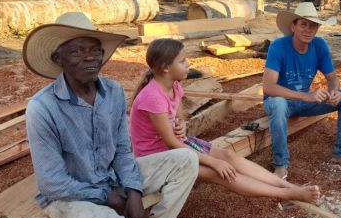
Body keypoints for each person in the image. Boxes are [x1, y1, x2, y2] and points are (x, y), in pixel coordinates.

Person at [23, 12, 199, 218]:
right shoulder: (42, 108)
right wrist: (109, 198)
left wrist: (132, 191)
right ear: (58, 57)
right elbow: (52, 182)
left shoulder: (113, 92)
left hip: (111, 180)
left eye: (95, 51)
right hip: (68, 196)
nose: (89, 58)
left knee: (185, 158)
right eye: (77, 51)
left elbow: (121, 150)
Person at [129, 38, 320, 204]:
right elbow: (171, 143)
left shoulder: (174, 86)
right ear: (165, 68)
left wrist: (180, 125)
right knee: (219, 173)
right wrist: (213, 162)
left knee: (228, 156)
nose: (188, 63)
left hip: (177, 146)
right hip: (157, 159)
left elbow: (178, 117)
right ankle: (285, 194)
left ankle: (287, 185)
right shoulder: (152, 97)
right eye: (182, 61)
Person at [263, 2, 341, 180]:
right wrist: (306, 96)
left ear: (317, 28)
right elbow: (268, 88)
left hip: (305, 101)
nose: (308, 30)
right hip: (281, 101)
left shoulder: (319, 45)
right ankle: (281, 164)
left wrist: (334, 92)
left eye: (313, 25)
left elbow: (332, 79)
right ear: (293, 26)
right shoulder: (278, 46)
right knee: (277, 104)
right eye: (303, 24)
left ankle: (340, 154)